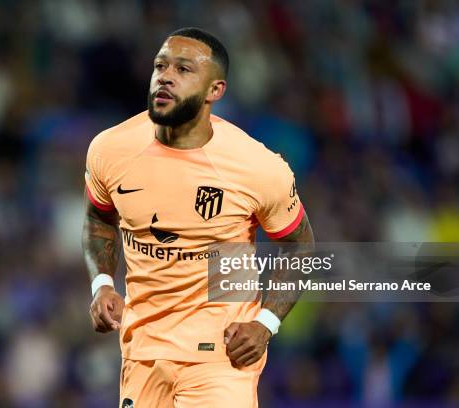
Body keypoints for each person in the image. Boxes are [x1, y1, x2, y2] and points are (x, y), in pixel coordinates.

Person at [82, 27, 314, 408]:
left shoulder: (256, 166)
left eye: (184, 69)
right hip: (142, 351)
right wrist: (103, 283)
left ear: (215, 91)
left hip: (221, 356)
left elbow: (300, 246)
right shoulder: (110, 149)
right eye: (161, 66)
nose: (166, 76)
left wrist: (266, 324)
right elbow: (98, 219)